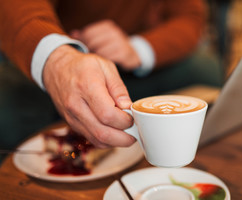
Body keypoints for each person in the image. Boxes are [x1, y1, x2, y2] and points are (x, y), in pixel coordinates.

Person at [0, 0, 223, 153]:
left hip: (128, 61)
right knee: (6, 105)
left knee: (205, 69)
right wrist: (58, 57)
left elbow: (190, 16)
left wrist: (137, 49)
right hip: (61, 49)